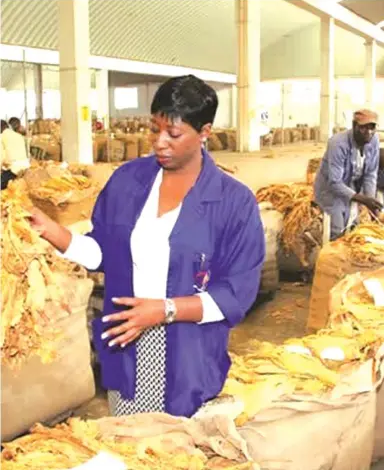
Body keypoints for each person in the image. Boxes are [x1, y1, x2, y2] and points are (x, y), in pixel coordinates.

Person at [29, 75, 265, 417]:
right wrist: (54, 233)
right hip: (127, 340)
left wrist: (164, 310)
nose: (159, 143)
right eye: (154, 129)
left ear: (204, 132)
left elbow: (237, 294)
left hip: (189, 351)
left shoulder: (233, 202)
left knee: (176, 448)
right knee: (130, 440)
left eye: (173, 133)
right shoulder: (128, 180)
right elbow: (103, 253)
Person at [314, 109, 382, 240]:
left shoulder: (374, 140)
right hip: (330, 189)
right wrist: (362, 199)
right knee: (338, 227)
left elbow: (370, 174)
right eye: (363, 128)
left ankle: (349, 257)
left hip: (351, 185)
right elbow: (334, 182)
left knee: (354, 226)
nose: (368, 132)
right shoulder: (338, 143)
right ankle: (332, 256)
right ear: (354, 125)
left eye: (372, 127)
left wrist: (370, 200)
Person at [1, 119, 30, 190]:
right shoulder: (19, 136)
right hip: (26, 166)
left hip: (13, 170)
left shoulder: (1, 137)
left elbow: (1, 156)